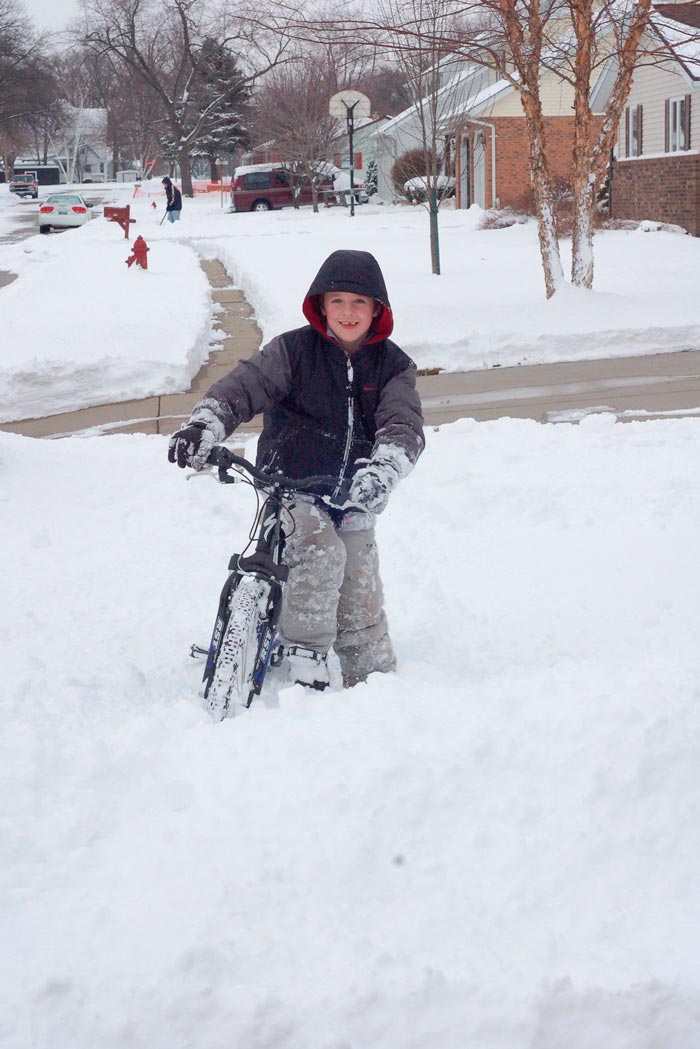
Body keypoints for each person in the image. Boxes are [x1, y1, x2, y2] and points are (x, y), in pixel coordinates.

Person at [168, 250, 424, 689]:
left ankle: (374, 677)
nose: (348, 312)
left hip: (355, 490)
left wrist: (383, 470)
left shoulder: (393, 366)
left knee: (358, 571)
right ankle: (306, 657)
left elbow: (403, 423)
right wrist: (205, 425)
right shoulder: (292, 351)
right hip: (290, 483)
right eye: (338, 300)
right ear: (321, 305)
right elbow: (245, 387)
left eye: (359, 302)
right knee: (319, 548)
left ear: (377, 309)